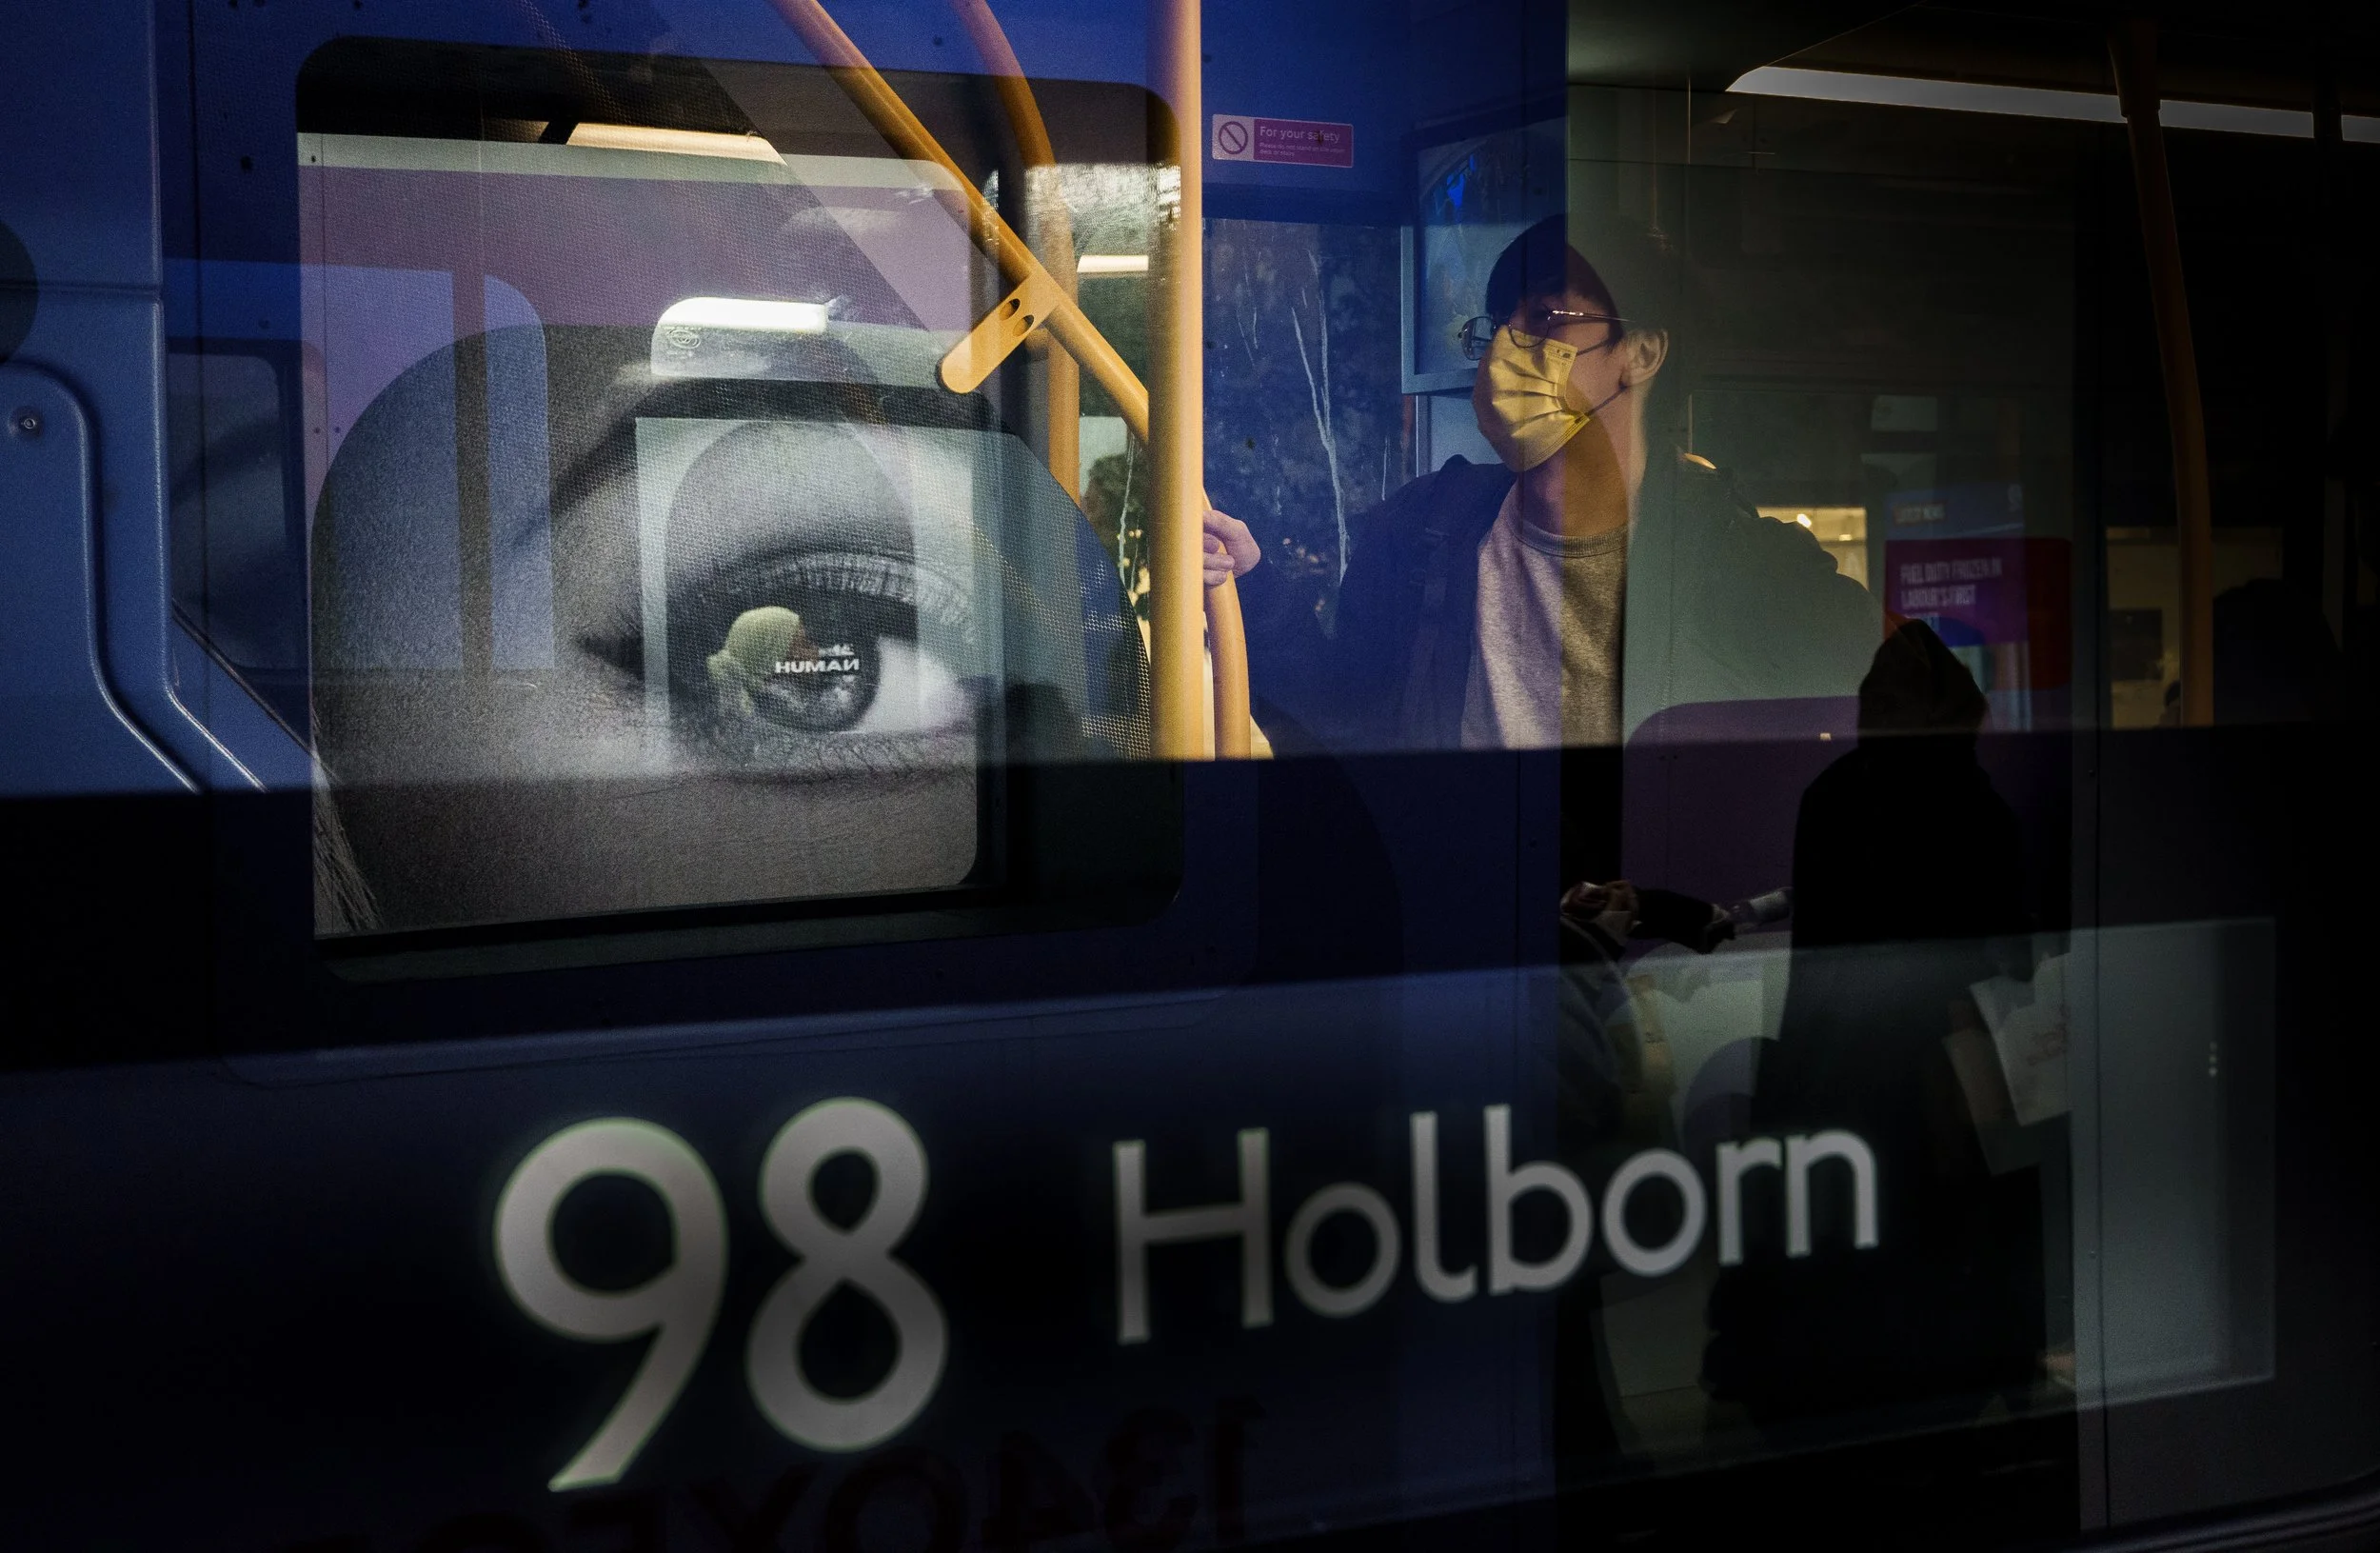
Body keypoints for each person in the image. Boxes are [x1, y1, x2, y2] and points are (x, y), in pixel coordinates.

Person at [1202, 212, 1880, 754]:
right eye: (1498, 325)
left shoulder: (1747, 567)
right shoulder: (1422, 532)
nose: (1506, 347)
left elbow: (1888, 720)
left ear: (1640, 354)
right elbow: (1340, 723)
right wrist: (1251, 587)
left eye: (1547, 319)